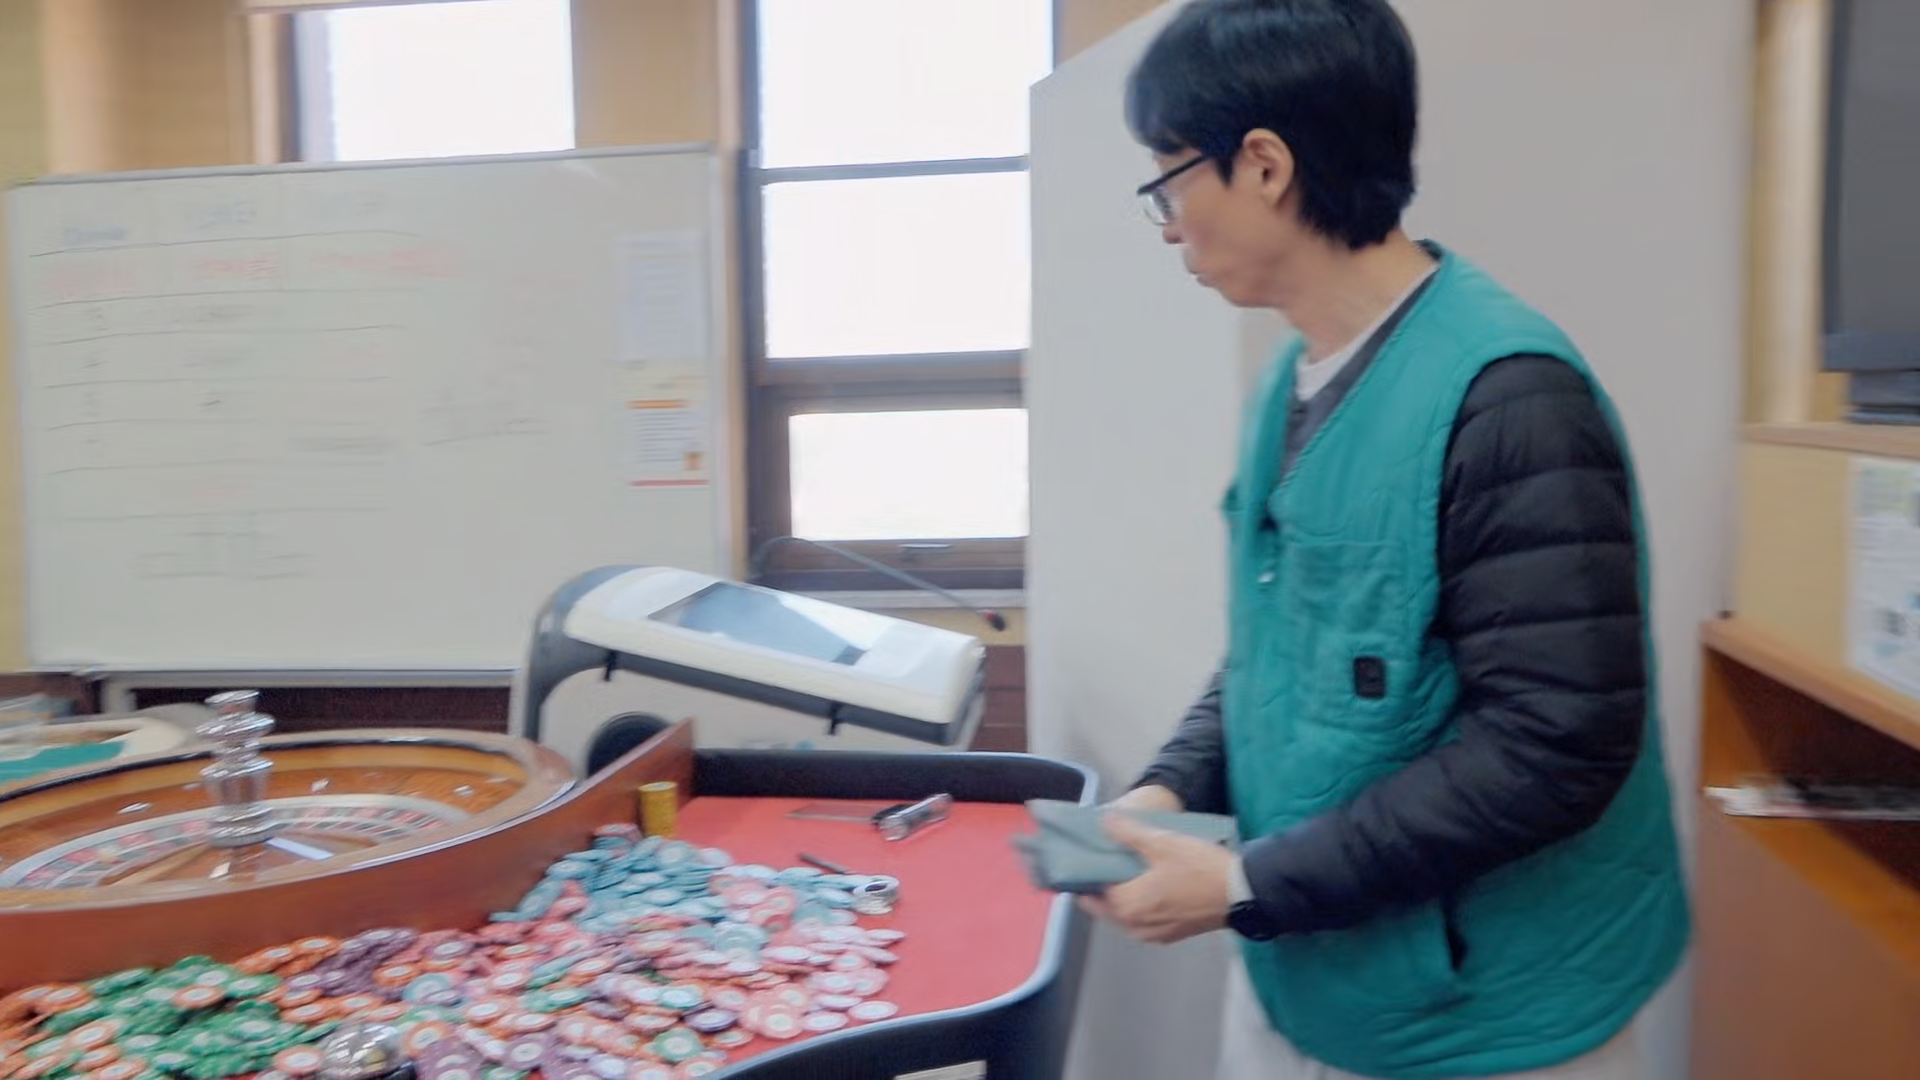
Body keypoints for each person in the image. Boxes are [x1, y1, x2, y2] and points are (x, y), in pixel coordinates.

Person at [1076, 2, 1691, 1079]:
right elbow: (1281, 648)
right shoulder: (1291, 379)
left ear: (1265, 166)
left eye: (1169, 180)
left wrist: (1244, 884)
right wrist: (1171, 788)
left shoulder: (1509, 397)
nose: (1168, 224)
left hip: (1485, 1014)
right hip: (1313, 955)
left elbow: (1554, 745)